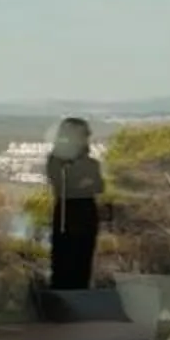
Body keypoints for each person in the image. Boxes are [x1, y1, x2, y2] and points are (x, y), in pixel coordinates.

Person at [46, 117, 105, 291]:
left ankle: (79, 294)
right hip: (67, 213)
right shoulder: (56, 161)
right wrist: (82, 183)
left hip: (86, 213)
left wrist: (79, 183)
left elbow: (99, 186)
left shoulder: (91, 163)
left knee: (83, 259)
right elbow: (62, 186)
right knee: (63, 260)